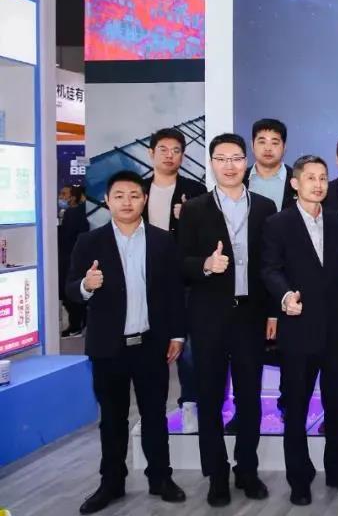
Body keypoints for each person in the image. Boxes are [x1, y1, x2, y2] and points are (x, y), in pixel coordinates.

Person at [66, 170, 186, 514]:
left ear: (144, 200)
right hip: (108, 347)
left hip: (151, 343)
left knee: (155, 416)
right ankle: (112, 483)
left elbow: (174, 292)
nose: (127, 202)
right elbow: (70, 290)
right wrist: (86, 285)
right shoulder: (89, 242)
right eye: (119, 196)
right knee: (112, 418)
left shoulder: (162, 241)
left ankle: (160, 478)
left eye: (134, 195)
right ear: (107, 200)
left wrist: (177, 334)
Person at [178, 133, 278, 507]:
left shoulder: (265, 207)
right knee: (209, 397)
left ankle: (247, 470)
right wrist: (205, 264)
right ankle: (217, 475)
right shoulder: (194, 209)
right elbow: (179, 262)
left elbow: (272, 264)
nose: (230, 166)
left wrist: (273, 311)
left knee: (250, 398)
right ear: (212, 164)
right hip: (209, 316)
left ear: (246, 161)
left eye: (236, 158)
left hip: (251, 315)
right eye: (221, 159)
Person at [261, 155, 338, 505]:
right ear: (295, 183)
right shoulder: (277, 223)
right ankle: (299, 480)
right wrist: (285, 296)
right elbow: (270, 269)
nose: (318, 184)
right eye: (310, 178)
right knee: (296, 409)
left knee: (337, 405)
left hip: (336, 329)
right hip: (298, 329)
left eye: (322, 178)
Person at [141, 126, 207, 433]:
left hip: (185, 281)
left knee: (188, 346)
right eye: (163, 150)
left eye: (176, 151)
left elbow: (207, 236)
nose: (170, 156)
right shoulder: (138, 190)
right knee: (149, 346)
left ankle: (190, 403)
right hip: (145, 279)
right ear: (151, 153)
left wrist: (188, 218)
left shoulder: (195, 190)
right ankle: (152, 408)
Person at [244, 118, 296, 211]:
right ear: (252, 145)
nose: (268, 148)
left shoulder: (298, 180)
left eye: (274, 143)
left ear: (284, 147)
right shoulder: (240, 179)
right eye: (262, 142)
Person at [58, 184, 90, 337]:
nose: (61, 198)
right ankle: (77, 324)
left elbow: (68, 238)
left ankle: (77, 325)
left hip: (71, 260)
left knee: (71, 294)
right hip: (66, 259)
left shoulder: (76, 213)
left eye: (64, 194)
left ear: (74, 196)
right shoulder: (69, 213)